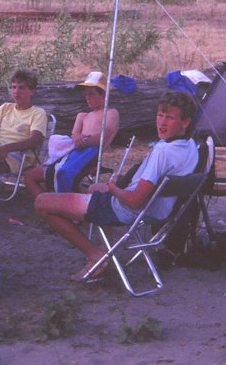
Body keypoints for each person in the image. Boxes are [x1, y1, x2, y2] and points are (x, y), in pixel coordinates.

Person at [35, 91, 199, 281]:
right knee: (94, 188)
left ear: (185, 122)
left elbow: (134, 201)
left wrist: (114, 188)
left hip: (126, 210)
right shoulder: (190, 147)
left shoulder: (163, 152)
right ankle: (107, 249)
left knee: (42, 202)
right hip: (158, 211)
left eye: (170, 118)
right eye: (159, 115)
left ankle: (95, 256)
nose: (161, 123)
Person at [23, 71, 120, 197]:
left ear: (104, 95)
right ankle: (48, 202)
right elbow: (74, 135)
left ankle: (65, 202)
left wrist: (82, 141)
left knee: (64, 173)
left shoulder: (111, 113)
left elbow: (103, 138)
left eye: (91, 94)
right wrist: (77, 139)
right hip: (72, 152)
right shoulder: (83, 116)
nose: (87, 97)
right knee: (30, 176)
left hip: (89, 154)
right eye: (86, 94)